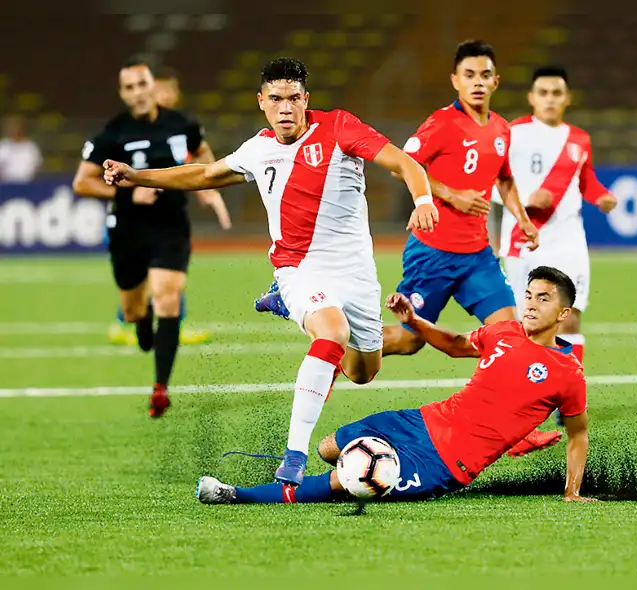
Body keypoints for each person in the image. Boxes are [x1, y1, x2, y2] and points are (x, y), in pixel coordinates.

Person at [102, 57, 438, 486]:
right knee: (331, 332)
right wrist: (135, 176)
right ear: (262, 102)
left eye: (293, 98)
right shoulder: (258, 149)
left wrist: (423, 199)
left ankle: (284, 306)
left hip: (354, 272)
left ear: (306, 100)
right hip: (299, 269)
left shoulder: (339, 128)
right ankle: (294, 456)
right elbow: (203, 174)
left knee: (362, 372)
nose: (285, 108)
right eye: (276, 99)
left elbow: (403, 163)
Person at [254, 40, 559, 458]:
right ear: (455, 80)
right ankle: (334, 342)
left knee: (512, 336)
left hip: (478, 257)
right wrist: (447, 195)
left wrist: (522, 218)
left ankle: (517, 430)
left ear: (496, 81)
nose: (477, 83)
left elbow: (503, 179)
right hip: (432, 253)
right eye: (468, 75)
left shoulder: (502, 129)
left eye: (484, 75)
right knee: (408, 341)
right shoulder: (440, 124)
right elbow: (408, 165)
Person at [196, 266, 593, 505]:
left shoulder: (567, 372)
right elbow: (456, 346)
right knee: (328, 447)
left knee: (350, 477)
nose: (529, 304)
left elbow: (578, 435)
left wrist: (571, 490)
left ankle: (236, 495)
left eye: (542, 299)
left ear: (563, 313)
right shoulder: (504, 330)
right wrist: (415, 322)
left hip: (445, 463)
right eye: (527, 296)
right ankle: (320, 480)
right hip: (423, 421)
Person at [73, 56, 230, 417]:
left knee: (168, 298)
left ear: (152, 86)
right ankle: (142, 322)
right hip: (128, 229)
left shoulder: (184, 124)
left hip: (171, 226)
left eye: (142, 84)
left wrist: (211, 191)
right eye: (129, 88)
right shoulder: (111, 133)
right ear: (123, 94)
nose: (138, 93)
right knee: (133, 310)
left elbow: (206, 163)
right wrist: (127, 193)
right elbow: (82, 182)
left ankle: (161, 387)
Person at [498, 65, 618, 364]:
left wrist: (601, 196)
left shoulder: (579, 139)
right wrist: (526, 199)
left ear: (567, 98)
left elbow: (586, 181)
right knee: (530, 322)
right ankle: (530, 392)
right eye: (543, 93)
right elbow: (490, 183)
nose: (550, 99)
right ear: (531, 97)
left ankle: (569, 398)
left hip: (568, 240)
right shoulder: (513, 134)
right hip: (524, 240)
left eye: (556, 93)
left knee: (571, 317)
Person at [106, 65, 224, 347]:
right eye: (161, 89)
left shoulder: (178, 129)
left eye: (170, 90)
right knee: (146, 274)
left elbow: (192, 167)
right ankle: (129, 319)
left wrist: (207, 191)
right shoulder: (127, 130)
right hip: (132, 220)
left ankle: (169, 321)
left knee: (166, 272)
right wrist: (131, 190)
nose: (165, 95)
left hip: (164, 219)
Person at [0, 115, 42, 182]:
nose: (15, 130)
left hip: (27, 184)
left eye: (18, 128)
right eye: (13, 128)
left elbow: (36, 166)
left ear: (22, 129)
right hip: (5, 184)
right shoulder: (3, 146)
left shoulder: (31, 147)